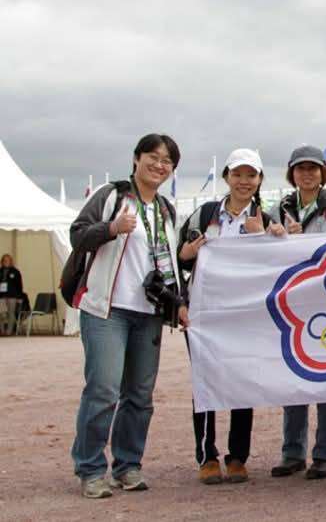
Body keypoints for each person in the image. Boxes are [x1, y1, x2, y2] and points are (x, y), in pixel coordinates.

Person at [69, 134, 182, 499]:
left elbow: (169, 266)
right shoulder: (111, 195)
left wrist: (178, 301)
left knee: (140, 395)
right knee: (103, 390)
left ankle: (128, 465)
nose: (159, 165)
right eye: (153, 156)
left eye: (167, 161)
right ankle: (90, 469)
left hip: (148, 313)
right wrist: (111, 229)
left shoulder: (167, 209)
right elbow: (77, 235)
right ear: (136, 158)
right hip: (107, 309)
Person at [178, 148, 283, 485]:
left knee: (242, 382)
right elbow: (179, 259)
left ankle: (238, 457)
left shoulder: (267, 220)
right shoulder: (202, 215)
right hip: (205, 312)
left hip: (245, 315)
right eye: (238, 174)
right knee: (204, 382)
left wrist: (266, 238)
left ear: (260, 180)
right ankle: (206, 456)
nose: (244, 181)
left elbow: (277, 267)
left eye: (251, 175)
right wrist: (190, 252)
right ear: (226, 177)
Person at [271, 145, 326, 480]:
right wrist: (276, 237)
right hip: (294, 303)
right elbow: (269, 255)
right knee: (294, 379)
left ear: (323, 174)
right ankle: (292, 452)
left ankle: (325, 454)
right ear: (292, 173)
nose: (307, 174)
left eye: (313, 168)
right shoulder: (280, 207)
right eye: (301, 168)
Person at [0, 254, 23, 335]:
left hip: (12, 296)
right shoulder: (0, 271)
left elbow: (19, 285)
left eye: (8, 260)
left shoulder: (15, 272)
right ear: (2, 262)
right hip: (1, 296)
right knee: (1, 313)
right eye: (4, 260)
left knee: (11, 313)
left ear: (11, 261)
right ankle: (2, 330)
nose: (6, 262)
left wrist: (20, 297)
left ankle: (9, 332)